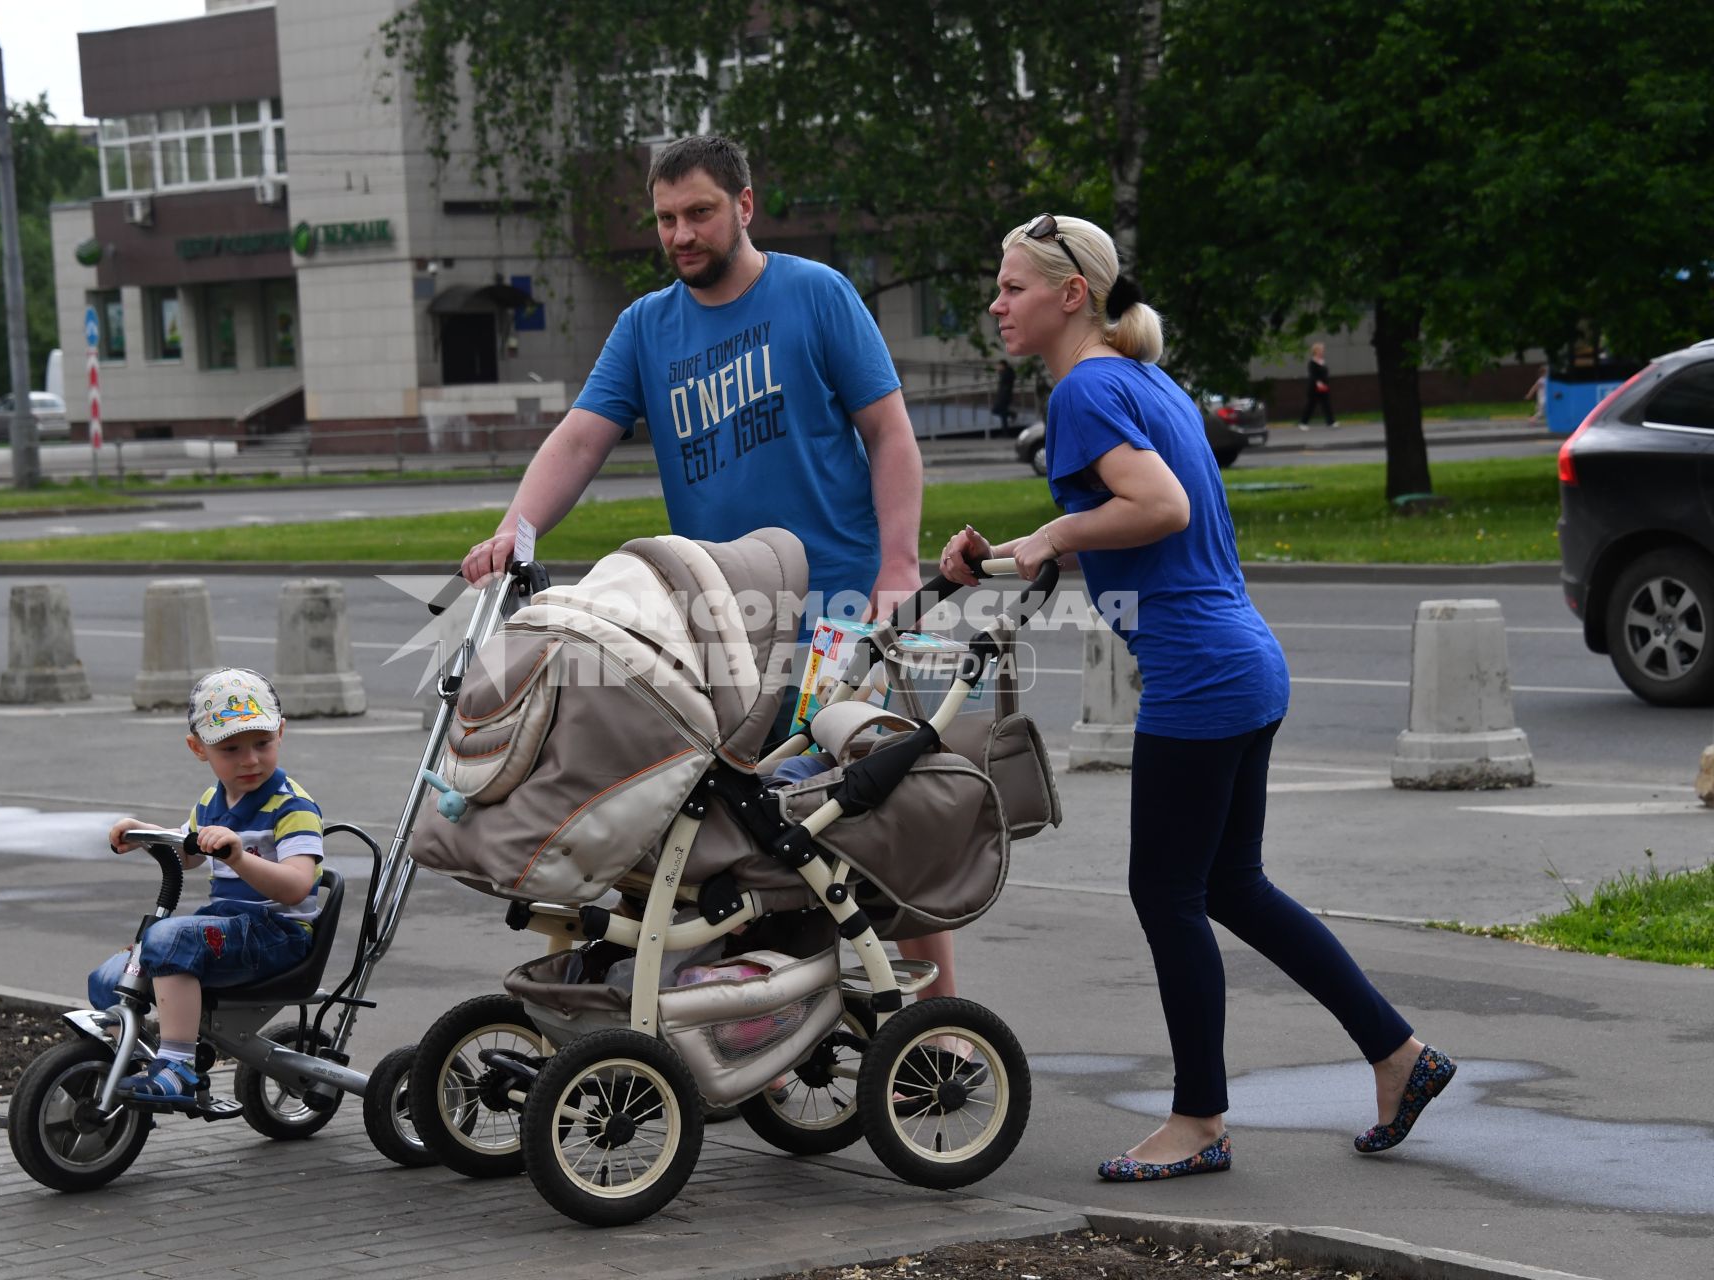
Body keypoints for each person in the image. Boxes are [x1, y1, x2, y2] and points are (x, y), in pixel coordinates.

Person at [940, 213, 1453, 1182]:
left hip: (1200, 675)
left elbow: (1158, 507)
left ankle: (1198, 1118)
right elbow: (1140, 518)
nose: (996, 304)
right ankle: (1399, 1054)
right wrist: (1005, 554)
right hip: (1244, 660)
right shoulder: (1138, 380)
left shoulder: (1087, 388)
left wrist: (1049, 536)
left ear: (1071, 294)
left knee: (1168, 889)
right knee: (1229, 884)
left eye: (1012, 288)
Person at [457, 135, 960, 1008]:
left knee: (881, 809)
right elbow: (582, 436)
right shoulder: (646, 326)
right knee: (750, 827)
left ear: (745, 206)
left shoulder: (816, 295)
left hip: (839, 608)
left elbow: (889, 432)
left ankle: (939, 1012)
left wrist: (899, 566)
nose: (681, 234)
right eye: (664, 219)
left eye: (699, 213)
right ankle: (768, 1010)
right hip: (723, 623)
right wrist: (517, 528)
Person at [90, 667, 326, 1105]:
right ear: (198, 749)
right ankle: (120, 1061)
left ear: (281, 732)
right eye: (231, 748)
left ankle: (178, 1067)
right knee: (114, 975)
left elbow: (296, 887)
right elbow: (189, 853)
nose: (250, 760)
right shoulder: (213, 800)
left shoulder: (293, 806)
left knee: (165, 940)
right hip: (231, 927)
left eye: (262, 743)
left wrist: (239, 857)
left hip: (278, 934)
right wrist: (143, 833)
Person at [1299, 341, 1335, 429]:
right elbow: (1313, 375)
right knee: (1311, 405)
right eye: (1321, 350)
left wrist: (1325, 384)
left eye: (1323, 350)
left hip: (1324, 387)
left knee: (1326, 405)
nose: (1323, 351)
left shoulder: (1322, 361)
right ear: (1316, 351)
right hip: (1314, 388)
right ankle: (1303, 423)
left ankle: (1331, 422)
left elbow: (1325, 374)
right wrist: (1319, 383)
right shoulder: (1312, 362)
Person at [991, 359, 1017, 432]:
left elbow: (1005, 382)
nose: (998, 367)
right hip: (1004, 395)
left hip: (1005, 396)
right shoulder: (1006, 372)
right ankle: (1005, 431)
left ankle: (1012, 415)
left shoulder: (1007, 373)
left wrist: (999, 373)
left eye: (999, 366)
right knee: (1002, 413)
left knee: (996, 410)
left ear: (1003, 366)